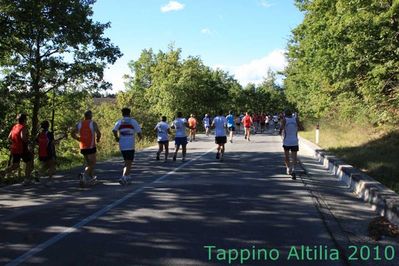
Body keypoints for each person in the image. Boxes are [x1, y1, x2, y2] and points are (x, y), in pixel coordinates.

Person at [2, 113, 34, 184]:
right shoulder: (23, 127)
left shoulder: (15, 126)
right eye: (26, 119)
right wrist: (28, 141)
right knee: (29, 162)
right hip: (22, 148)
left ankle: (3, 172)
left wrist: (15, 142)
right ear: (24, 120)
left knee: (15, 165)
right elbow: (23, 137)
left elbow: (9, 137)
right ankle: (26, 180)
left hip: (15, 148)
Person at [113, 107, 142, 185]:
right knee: (129, 162)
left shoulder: (119, 122)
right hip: (130, 144)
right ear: (129, 113)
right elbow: (139, 132)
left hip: (122, 144)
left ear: (122, 114)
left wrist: (116, 137)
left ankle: (127, 176)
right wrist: (140, 138)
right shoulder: (133, 121)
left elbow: (114, 130)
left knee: (126, 161)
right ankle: (124, 177)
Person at [71, 110, 101, 186]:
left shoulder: (79, 124)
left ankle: (92, 178)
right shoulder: (92, 123)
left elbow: (72, 133)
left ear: (84, 116)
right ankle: (83, 175)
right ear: (90, 116)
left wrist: (77, 138)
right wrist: (98, 139)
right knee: (93, 163)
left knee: (89, 163)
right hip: (91, 146)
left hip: (82, 146)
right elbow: (98, 133)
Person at [279, 110, 300, 180]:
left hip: (287, 141)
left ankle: (288, 168)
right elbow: (302, 128)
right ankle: (293, 169)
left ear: (285, 114)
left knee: (286, 156)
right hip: (295, 141)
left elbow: (281, 129)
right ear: (291, 114)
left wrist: (281, 132)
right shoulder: (296, 119)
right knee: (294, 157)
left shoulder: (284, 120)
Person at [36, 120, 56, 185]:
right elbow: (52, 143)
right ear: (48, 126)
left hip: (41, 152)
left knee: (46, 165)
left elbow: (37, 142)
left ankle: (39, 173)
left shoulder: (39, 134)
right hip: (49, 151)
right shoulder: (50, 133)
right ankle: (49, 180)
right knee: (51, 165)